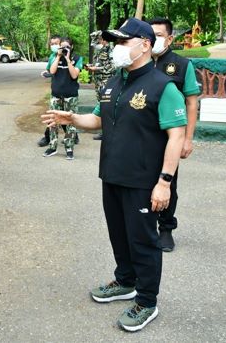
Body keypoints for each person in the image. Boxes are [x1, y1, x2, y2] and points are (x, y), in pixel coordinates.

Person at [42, 18, 186, 332]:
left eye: (123, 41)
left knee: (144, 241)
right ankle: (126, 281)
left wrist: (165, 182)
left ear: (145, 45)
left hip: (144, 180)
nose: (117, 47)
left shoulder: (164, 87)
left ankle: (147, 301)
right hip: (112, 175)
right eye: (116, 42)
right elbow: (98, 122)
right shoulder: (113, 83)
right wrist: (71, 117)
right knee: (119, 235)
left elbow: (176, 136)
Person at [150, 17, 200, 252]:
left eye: (159, 35)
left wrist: (188, 138)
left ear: (170, 38)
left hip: (170, 137)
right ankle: (145, 225)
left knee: (168, 182)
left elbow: (191, 102)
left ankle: (166, 228)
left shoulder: (181, 65)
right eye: (150, 35)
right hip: (143, 134)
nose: (153, 40)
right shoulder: (140, 61)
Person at [43, 37, 83, 160]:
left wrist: (67, 58)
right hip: (56, 94)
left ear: (71, 47)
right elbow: (52, 70)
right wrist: (59, 56)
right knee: (53, 121)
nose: (64, 49)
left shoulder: (77, 58)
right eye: (62, 46)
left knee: (70, 122)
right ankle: (52, 146)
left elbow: (74, 74)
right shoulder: (55, 56)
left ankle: (69, 148)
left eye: (67, 47)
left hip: (70, 95)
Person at [86, 32, 115, 140]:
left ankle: (108, 132)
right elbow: (99, 64)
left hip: (106, 81)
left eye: (97, 42)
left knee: (107, 106)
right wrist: (92, 67)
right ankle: (104, 130)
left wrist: (97, 69)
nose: (95, 45)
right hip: (98, 82)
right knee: (101, 106)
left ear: (103, 40)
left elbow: (113, 67)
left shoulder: (110, 50)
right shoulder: (99, 51)